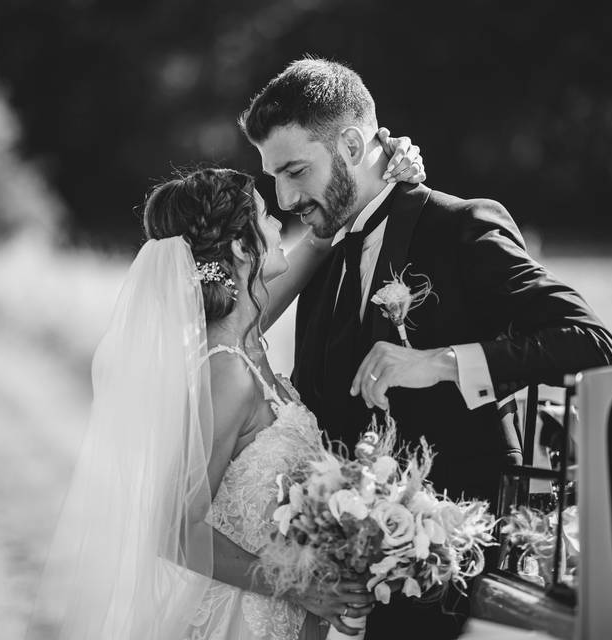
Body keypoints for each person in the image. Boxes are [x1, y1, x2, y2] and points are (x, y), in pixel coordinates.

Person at [239, 57, 612, 638]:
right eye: (275, 179)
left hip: (455, 569)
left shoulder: (458, 227)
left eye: (295, 171)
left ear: (348, 144)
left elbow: (592, 341)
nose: (285, 197)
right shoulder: (325, 248)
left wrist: (441, 363)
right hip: (351, 578)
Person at [29, 142, 427, 638]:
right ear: (241, 249)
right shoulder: (227, 372)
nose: (282, 223)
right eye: (264, 216)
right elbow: (176, 530)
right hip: (241, 621)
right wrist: (297, 587)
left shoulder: (245, 345)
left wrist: (380, 174)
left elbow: (321, 238)